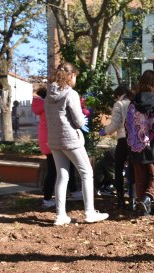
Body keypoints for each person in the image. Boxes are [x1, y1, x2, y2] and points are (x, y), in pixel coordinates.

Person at [45, 62, 109, 225]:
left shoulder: (49, 94)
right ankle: (89, 212)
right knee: (87, 172)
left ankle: (60, 215)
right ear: (71, 75)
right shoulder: (70, 94)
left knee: (62, 176)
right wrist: (84, 119)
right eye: (76, 77)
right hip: (71, 140)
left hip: (54, 141)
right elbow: (79, 122)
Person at [128, 70, 154, 217]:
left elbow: (128, 123)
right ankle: (147, 198)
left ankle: (143, 208)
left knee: (140, 177)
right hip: (152, 144)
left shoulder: (133, 102)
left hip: (135, 144)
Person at [102, 85, 135, 208]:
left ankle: (120, 199)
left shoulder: (119, 104)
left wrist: (105, 131)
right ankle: (133, 199)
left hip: (123, 139)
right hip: (135, 141)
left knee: (118, 167)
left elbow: (115, 123)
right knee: (133, 169)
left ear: (118, 95)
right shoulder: (134, 102)